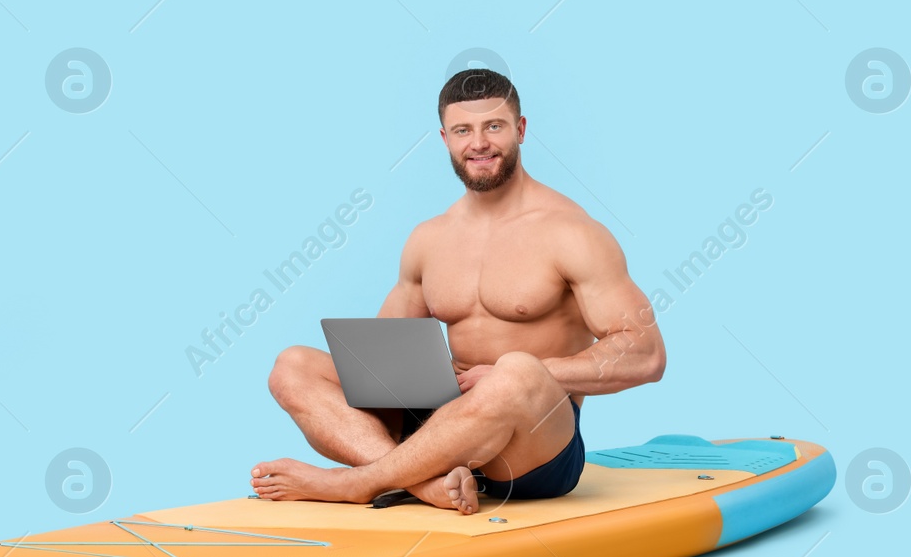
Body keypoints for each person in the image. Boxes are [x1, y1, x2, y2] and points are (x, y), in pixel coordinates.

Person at [253, 68, 665, 514]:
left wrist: (522, 374)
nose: (479, 143)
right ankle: (424, 484)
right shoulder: (429, 239)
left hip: (531, 445)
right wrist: (439, 373)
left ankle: (358, 483)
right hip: (443, 423)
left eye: (494, 126)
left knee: (516, 371)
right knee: (292, 365)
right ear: (445, 138)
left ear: (520, 130)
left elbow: (645, 354)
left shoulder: (572, 234)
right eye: (463, 130)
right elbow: (381, 359)